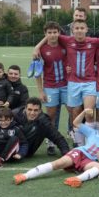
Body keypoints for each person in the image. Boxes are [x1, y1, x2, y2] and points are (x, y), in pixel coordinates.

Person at [32, 19, 99, 143]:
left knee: (89, 113)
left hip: (89, 82)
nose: (79, 30)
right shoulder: (67, 40)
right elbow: (50, 35)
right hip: (73, 83)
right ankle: (79, 143)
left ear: (86, 30)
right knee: (75, 113)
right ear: (72, 30)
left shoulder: (93, 41)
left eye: (82, 28)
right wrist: (37, 47)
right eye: (77, 28)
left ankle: (92, 141)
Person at [13, 114, 99, 187]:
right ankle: (25, 176)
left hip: (90, 161)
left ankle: (77, 179)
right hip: (80, 153)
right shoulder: (92, 132)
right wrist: (84, 112)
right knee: (58, 163)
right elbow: (76, 122)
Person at [35, 21, 69, 153]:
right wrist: (41, 91)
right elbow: (37, 73)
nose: (53, 35)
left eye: (55, 32)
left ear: (59, 33)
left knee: (73, 111)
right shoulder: (41, 50)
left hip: (66, 85)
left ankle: (74, 135)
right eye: (49, 32)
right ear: (45, 34)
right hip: (50, 86)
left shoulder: (65, 45)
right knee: (51, 115)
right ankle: (51, 141)